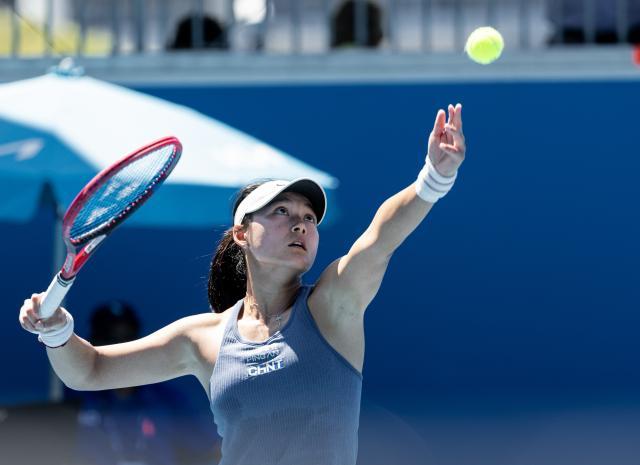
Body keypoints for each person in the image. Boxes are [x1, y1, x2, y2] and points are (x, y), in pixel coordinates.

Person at [19, 103, 466, 465]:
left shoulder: (333, 306)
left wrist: (434, 177)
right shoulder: (202, 338)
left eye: (309, 218)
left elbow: (380, 238)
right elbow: (89, 371)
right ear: (241, 233)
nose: (301, 224)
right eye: (281, 212)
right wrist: (57, 332)